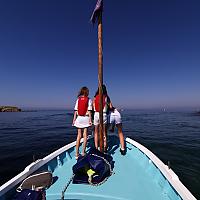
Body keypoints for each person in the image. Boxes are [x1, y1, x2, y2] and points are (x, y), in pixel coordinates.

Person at [72, 86, 92, 159]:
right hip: (85, 118)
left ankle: (76, 154)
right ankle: (83, 152)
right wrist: (90, 120)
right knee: (85, 136)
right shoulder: (89, 99)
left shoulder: (78, 99)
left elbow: (75, 111)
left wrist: (74, 120)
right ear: (87, 92)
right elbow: (89, 111)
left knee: (78, 136)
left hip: (79, 118)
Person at [93, 85, 111, 151]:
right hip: (104, 115)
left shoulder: (95, 97)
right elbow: (110, 106)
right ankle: (105, 147)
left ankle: (96, 147)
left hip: (96, 114)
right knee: (104, 132)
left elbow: (93, 106)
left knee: (96, 132)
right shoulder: (107, 97)